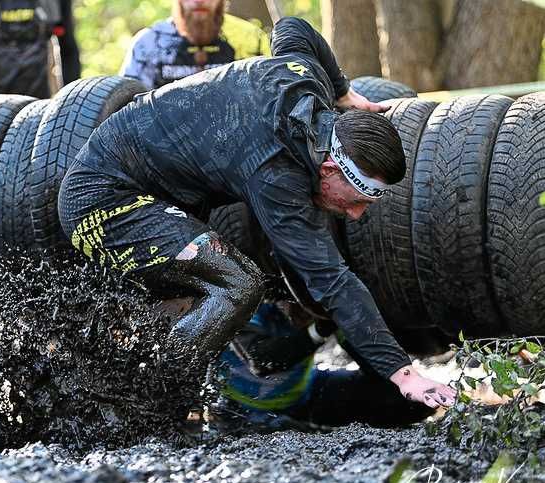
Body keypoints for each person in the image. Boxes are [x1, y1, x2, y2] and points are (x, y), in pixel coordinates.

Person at [58, 16, 456, 412]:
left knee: (197, 294)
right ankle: (147, 408)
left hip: (152, 192)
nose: (354, 216)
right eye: (356, 200)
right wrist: (402, 372)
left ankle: (111, 383)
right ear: (331, 168)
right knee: (239, 284)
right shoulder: (275, 175)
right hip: (103, 198)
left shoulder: (307, 83)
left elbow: (295, 28)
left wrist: (342, 91)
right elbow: (333, 281)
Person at [212, 303, 437, 430]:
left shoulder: (319, 299)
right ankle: (304, 429)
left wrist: (348, 322)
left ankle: (309, 427)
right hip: (241, 409)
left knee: (414, 401)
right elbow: (260, 361)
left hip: (310, 394)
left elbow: (377, 369)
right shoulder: (245, 304)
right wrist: (318, 330)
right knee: (276, 430)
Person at [121, 0, 270, 89]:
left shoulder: (251, 38)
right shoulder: (148, 44)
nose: (199, 0)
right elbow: (126, 106)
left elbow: (271, 95)